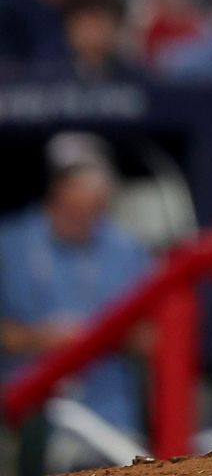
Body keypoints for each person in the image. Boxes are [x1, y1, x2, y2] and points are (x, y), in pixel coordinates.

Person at [0, 135, 150, 437]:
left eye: (96, 198)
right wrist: (38, 338)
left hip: (109, 419)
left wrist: (95, 338)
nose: (85, 206)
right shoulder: (10, 244)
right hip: (23, 418)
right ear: (57, 189)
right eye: (76, 188)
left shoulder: (127, 250)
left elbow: (154, 337)